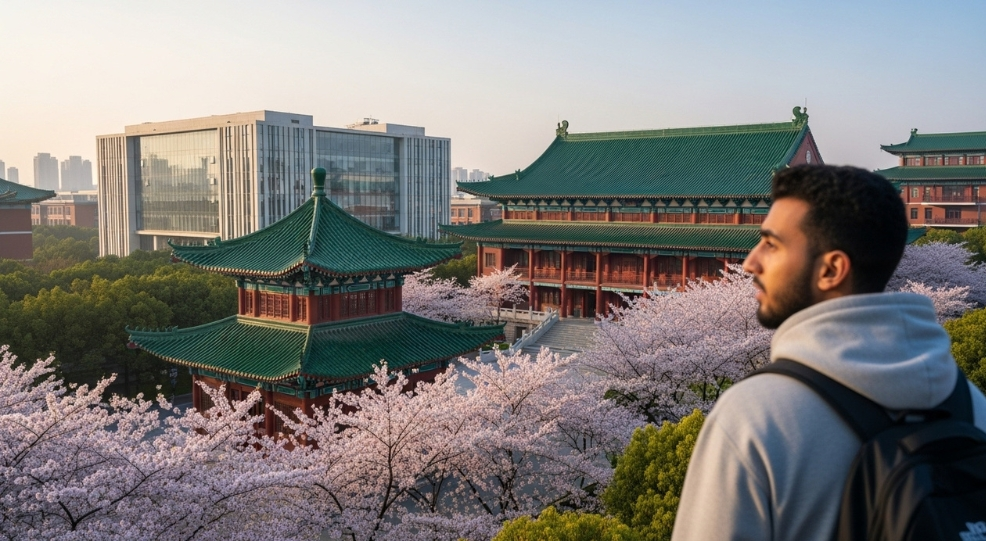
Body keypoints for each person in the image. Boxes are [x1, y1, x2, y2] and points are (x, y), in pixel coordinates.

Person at [670, 164, 986, 541]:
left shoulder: (755, 417)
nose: (750, 262)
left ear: (832, 269)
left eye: (771, 244)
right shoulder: (974, 406)